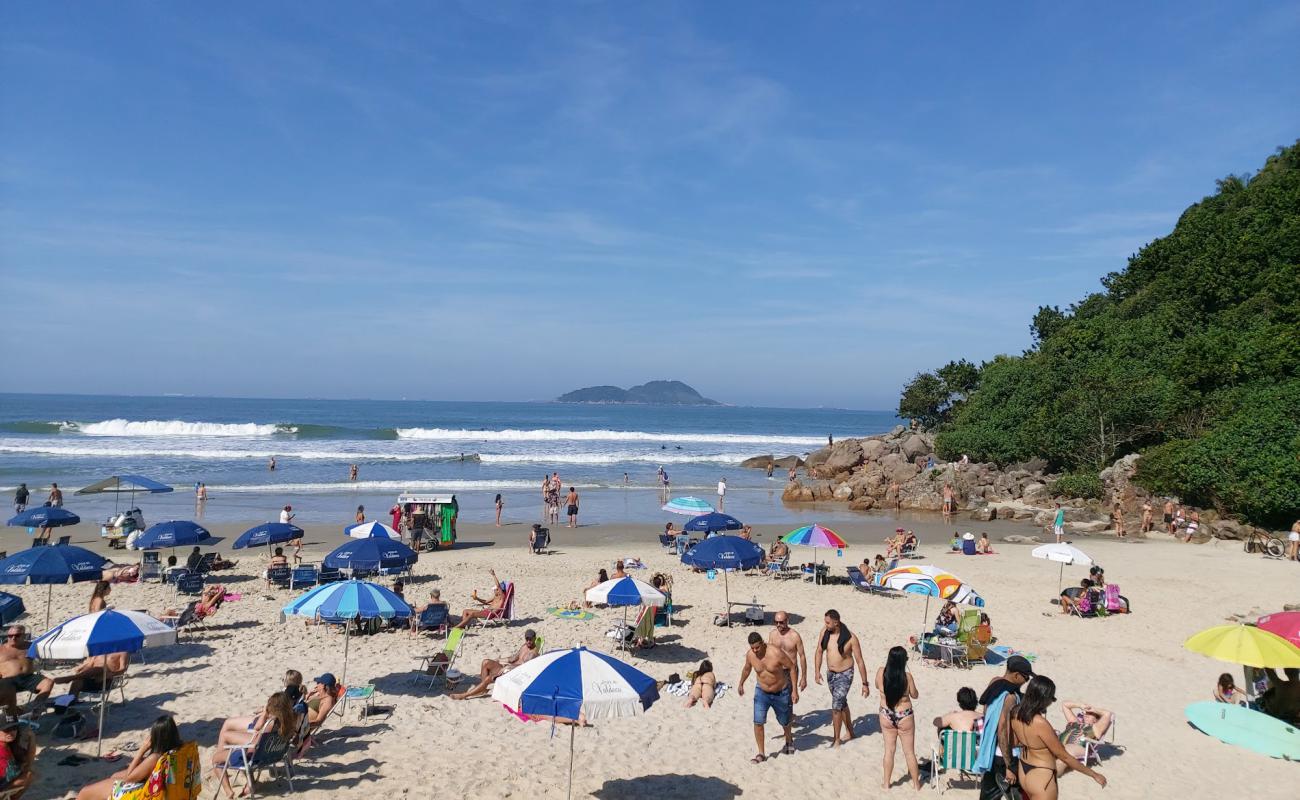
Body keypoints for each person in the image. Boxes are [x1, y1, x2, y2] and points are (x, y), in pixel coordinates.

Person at [1010, 677, 1107, 797]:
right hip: (1042, 775)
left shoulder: (1015, 712)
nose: (1052, 702)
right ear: (1044, 698)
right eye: (1052, 698)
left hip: (1023, 769)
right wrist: (1094, 774)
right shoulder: (1040, 723)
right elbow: (1064, 756)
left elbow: (1014, 742)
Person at [75, 715, 184, 800]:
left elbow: (129, 778)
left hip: (143, 794)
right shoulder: (177, 750)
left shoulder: (156, 757)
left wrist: (142, 750)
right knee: (115, 775)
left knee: (85, 792)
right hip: (160, 788)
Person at [977, 655, 1034, 800]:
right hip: (1004, 755)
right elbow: (1002, 730)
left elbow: (986, 710)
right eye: (1026, 678)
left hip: (990, 751)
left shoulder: (994, 682)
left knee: (988, 795)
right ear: (1016, 675)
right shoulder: (1011, 697)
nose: (1026, 681)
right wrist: (1010, 766)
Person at [737, 631, 799, 763]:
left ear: (763, 644)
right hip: (762, 692)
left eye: (757, 647)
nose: (755, 650)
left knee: (785, 721)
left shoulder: (776, 653)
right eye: (752, 648)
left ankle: (788, 741)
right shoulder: (750, 655)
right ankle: (761, 753)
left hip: (781, 692)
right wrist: (741, 683)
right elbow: (747, 669)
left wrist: (794, 691)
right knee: (758, 722)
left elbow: (792, 667)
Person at [210, 690, 297, 781]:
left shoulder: (270, 724)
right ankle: (221, 763)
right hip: (274, 755)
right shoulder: (289, 723)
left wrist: (264, 714)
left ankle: (220, 764)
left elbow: (256, 730)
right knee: (230, 730)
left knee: (225, 736)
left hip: (255, 756)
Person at [814, 609, 869, 747]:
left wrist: (864, 683)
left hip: (845, 674)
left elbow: (860, 661)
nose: (825, 625)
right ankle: (850, 732)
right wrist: (817, 671)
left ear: (836, 622)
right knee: (842, 702)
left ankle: (836, 740)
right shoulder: (824, 632)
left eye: (827, 622)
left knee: (836, 706)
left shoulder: (851, 638)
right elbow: (819, 651)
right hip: (831, 674)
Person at [876, 645, 920, 790]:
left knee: (889, 751)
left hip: (886, 713)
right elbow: (915, 695)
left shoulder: (881, 672)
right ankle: (916, 784)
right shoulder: (907, 677)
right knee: (909, 752)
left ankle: (886, 783)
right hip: (904, 715)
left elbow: (877, 685)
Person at [450, 629, 540, 700]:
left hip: (514, 674)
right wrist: (500, 660)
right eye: (527, 639)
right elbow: (513, 658)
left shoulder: (533, 653)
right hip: (507, 669)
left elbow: (524, 667)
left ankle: (465, 695)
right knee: (486, 662)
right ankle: (482, 689)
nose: (528, 641)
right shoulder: (524, 646)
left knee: (489, 678)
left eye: (530, 639)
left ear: (534, 638)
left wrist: (508, 667)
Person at [0, 626, 54, 714]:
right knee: (6, 695)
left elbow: (48, 651)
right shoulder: (1, 649)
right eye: (10, 636)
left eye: (17, 635)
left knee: (48, 683)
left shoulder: (31, 646)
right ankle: (18, 711)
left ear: (23, 636)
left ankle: (34, 709)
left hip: (28, 678)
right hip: (7, 680)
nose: (13, 638)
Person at [767, 611, 808, 704]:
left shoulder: (795, 636)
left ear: (787, 621)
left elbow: (802, 657)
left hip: (790, 671)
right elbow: (769, 653)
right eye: (776, 622)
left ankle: (789, 716)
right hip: (777, 670)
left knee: (790, 698)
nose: (778, 625)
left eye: (781, 622)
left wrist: (804, 677)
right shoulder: (773, 634)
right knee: (777, 697)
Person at [933, 686, 982, 759]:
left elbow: (936, 722)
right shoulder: (983, 717)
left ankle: (942, 753)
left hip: (958, 758)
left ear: (960, 703)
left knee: (942, 728)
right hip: (978, 758)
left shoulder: (954, 717)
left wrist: (949, 715)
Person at [53, 650, 130, 697]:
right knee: (77, 682)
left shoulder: (122, 652)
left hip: (106, 680)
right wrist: (81, 668)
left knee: (101, 669)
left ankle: (69, 678)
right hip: (92, 678)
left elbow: (123, 669)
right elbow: (89, 666)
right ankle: (69, 703)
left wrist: (112, 674)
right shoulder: (98, 653)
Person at [0, 712, 34, 799]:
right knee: (28, 775)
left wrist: (32, 738)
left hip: (6, 784)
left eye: (14, 728)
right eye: (6, 729)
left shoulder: (10, 746)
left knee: (29, 774)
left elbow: (28, 762)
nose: (11, 732)